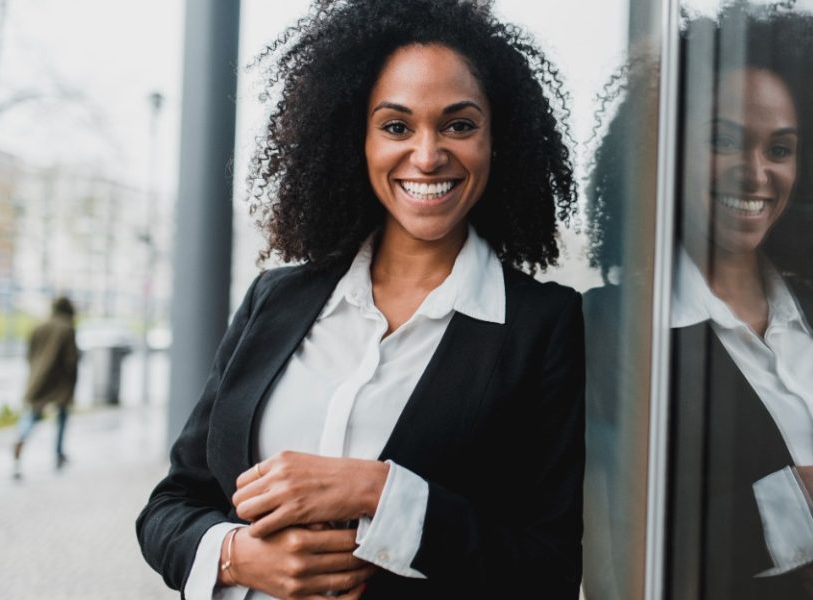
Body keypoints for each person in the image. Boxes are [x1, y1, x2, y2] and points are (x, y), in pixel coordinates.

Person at [136, 1, 584, 598]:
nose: (427, 156)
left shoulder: (543, 326)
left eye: (459, 124)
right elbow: (173, 504)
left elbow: (546, 569)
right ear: (358, 139)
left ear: (498, 140)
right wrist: (235, 556)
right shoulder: (276, 299)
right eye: (396, 126)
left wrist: (379, 492)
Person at [584, 3, 813, 598]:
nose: (755, 174)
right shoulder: (611, 328)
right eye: (723, 141)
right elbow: (620, 547)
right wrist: (808, 497)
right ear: (664, 149)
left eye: (780, 149)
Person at [12, 295, 79, 479]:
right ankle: (58, 453)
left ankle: (21, 437)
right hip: (59, 382)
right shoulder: (67, 328)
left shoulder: (38, 327)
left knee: (33, 414)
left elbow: (29, 355)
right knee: (62, 416)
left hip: (38, 379)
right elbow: (70, 359)